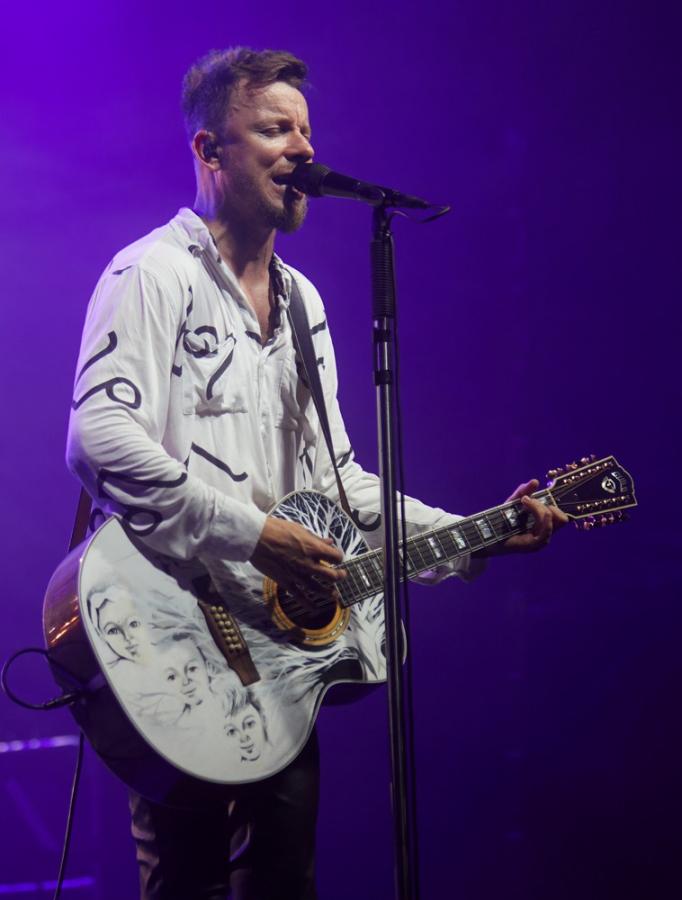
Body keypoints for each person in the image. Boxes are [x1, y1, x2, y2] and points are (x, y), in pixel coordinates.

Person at [66, 47, 567, 900]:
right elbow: (99, 438)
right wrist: (256, 535)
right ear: (209, 150)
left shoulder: (304, 303)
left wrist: (471, 535)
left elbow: (339, 484)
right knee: (186, 883)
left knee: (284, 883)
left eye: (305, 130)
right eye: (274, 130)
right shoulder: (153, 273)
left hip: (279, 660)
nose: (302, 149)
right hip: (174, 633)